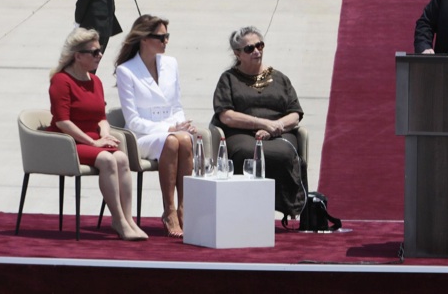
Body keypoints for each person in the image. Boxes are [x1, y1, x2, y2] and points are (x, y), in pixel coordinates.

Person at [48, 27, 147, 241]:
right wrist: (93, 142)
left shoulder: (96, 81)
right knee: (106, 159)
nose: (100, 55)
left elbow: (101, 116)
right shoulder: (61, 81)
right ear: (78, 55)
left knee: (121, 157)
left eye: (99, 51)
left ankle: (128, 219)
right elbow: (63, 121)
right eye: (94, 52)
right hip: (69, 142)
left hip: (93, 139)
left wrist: (105, 132)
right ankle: (118, 220)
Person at [211, 26, 307, 217]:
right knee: (248, 152)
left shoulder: (280, 78)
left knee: (284, 153)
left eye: (259, 45)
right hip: (241, 133)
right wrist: (262, 124)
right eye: (249, 48)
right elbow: (226, 115)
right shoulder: (228, 79)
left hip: (279, 132)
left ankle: (289, 207)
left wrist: (274, 128)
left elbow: (295, 114)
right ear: (238, 53)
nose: (256, 51)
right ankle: (241, 208)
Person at [114, 14, 195, 238]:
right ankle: (169, 210)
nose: (165, 41)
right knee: (171, 140)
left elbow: (176, 105)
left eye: (167, 36)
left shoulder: (171, 63)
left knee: (185, 140)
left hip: (171, 131)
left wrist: (181, 125)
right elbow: (133, 121)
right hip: (142, 137)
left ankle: (184, 208)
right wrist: (168, 130)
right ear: (144, 39)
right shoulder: (126, 71)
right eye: (161, 37)